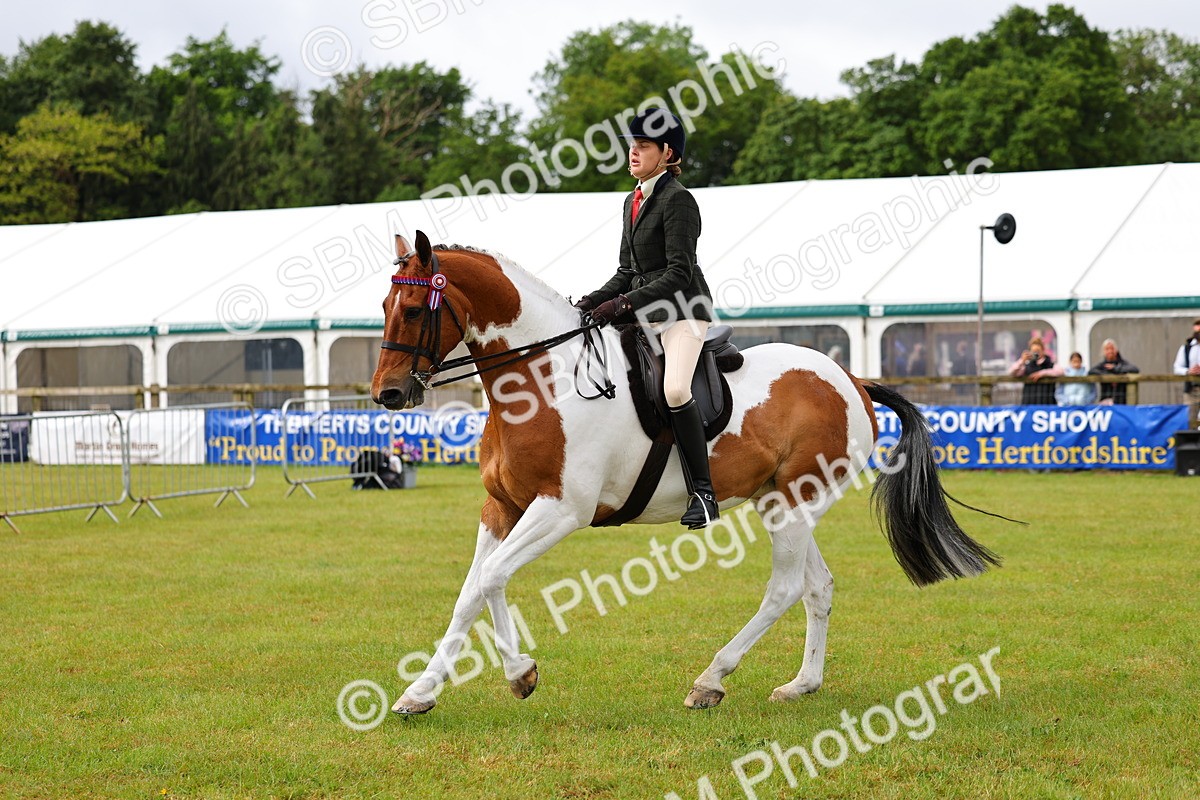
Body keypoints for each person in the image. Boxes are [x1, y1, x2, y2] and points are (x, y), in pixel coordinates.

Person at [574, 107, 718, 529]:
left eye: (643, 146)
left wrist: (622, 306)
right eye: (632, 145)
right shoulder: (631, 200)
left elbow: (679, 273)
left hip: (684, 312)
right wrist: (590, 302)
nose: (633, 153)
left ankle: (704, 493)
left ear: (666, 152)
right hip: (645, 314)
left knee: (674, 389)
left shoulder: (679, 201)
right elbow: (626, 271)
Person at [1088, 339, 1139, 404]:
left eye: (1112, 348)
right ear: (1103, 352)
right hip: (1106, 400)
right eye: (1107, 349)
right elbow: (1091, 371)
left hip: (1122, 401)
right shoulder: (1102, 365)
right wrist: (1107, 376)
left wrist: (1115, 369)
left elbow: (1135, 369)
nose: (1110, 351)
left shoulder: (1122, 363)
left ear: (1116, 350)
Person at [1008, 337, 1056, 405]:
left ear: (1043, 350)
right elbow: (1011, 372)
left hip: (1047, 404)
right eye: (1034, 351)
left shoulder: (1050, 364)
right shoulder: (1026, 366)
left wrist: (1042, 373)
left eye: (1038, 350)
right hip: (1029, 404)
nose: (1036, 353)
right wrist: (1022, 360)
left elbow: (1060, 371)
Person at [1173, 318, 1200, 428]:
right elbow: (1177, 367)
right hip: (1191, 390)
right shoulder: (1186, 348)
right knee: (1189, 420)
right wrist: (1188, 371)